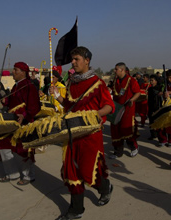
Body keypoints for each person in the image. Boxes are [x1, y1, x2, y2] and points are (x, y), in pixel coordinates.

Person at [49, 46, 114, 220]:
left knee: (89, 171)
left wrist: (93, 115)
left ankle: (105, 187)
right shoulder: (71, 82)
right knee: (72, 172)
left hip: (91, 135)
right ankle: (76, 210)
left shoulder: (97, 83)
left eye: (77, 59)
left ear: (87, 60)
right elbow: (70, 105)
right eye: (72, 59)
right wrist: (57, 96)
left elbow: (109, 107)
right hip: (72, 134)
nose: (73, 62)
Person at [0, 62, 40, 185]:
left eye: (16, 70)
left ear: (23, 72)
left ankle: (29, 175)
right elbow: (12, 102)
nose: (13, 72)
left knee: (23, 150)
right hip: (12, 121)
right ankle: (12, 173)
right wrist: (5, 101)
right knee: (4, 146)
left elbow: (35, 107)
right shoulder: (16, 86)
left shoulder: (29, 86)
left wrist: (24, 116)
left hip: (24, 124)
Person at [109, 62, 141, 159]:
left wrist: (132, 100)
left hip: (127, 109)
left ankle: (133, 147)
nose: (114, 71)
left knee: (126, 129)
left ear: (122, 70)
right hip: (116, 108)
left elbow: (138, 93)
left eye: (116, 69)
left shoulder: (131, 80)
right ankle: (118, 152)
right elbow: (113, 90)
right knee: (115, 129)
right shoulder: (115, 80)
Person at [157, 70, 171, 147]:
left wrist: (169, 92)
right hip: (164, 105)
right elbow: (159, 92)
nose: (169, 79)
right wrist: (162, 93)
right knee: (162, 124)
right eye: (168, 77)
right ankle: (163, 139)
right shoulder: (163, 84)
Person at [147, 74, 163, 140]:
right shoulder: (150, 89)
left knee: (159, 123)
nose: (151, 82)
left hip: (158, 107)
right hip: (151, 106)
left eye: (152, 80)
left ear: (156, 81)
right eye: (150, 80)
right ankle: (153, 134)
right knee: (151, 121)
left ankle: (161, 137)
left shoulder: (160, 88)